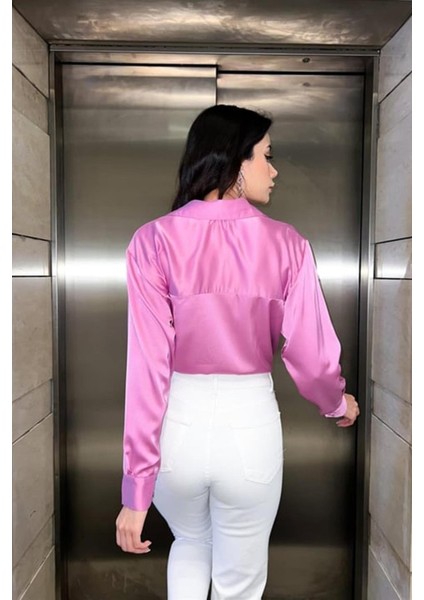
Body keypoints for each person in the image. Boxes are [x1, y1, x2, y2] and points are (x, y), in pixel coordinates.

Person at [115, 104, 360, 599]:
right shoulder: (287, 244)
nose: (274, 170)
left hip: (176, 430)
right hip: (250, 429)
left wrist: (136, 485)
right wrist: (337, 403)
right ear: (235, 160)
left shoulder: (152, 240)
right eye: (266, 155)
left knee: (190, 542)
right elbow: (312, 357)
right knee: (240, 580)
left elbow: (147, 366)